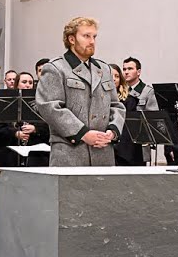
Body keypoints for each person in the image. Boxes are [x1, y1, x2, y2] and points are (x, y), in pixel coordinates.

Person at [35, 17, 125, 166]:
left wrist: (112, 131)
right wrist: (83, 133)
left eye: (94, 37)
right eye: (86, 36)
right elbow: (50, 108)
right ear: (71, 39)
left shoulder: (104, 69)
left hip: (103, 152)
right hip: (70, 152)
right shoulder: (56, 68)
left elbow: (116, 106)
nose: (92, 41)